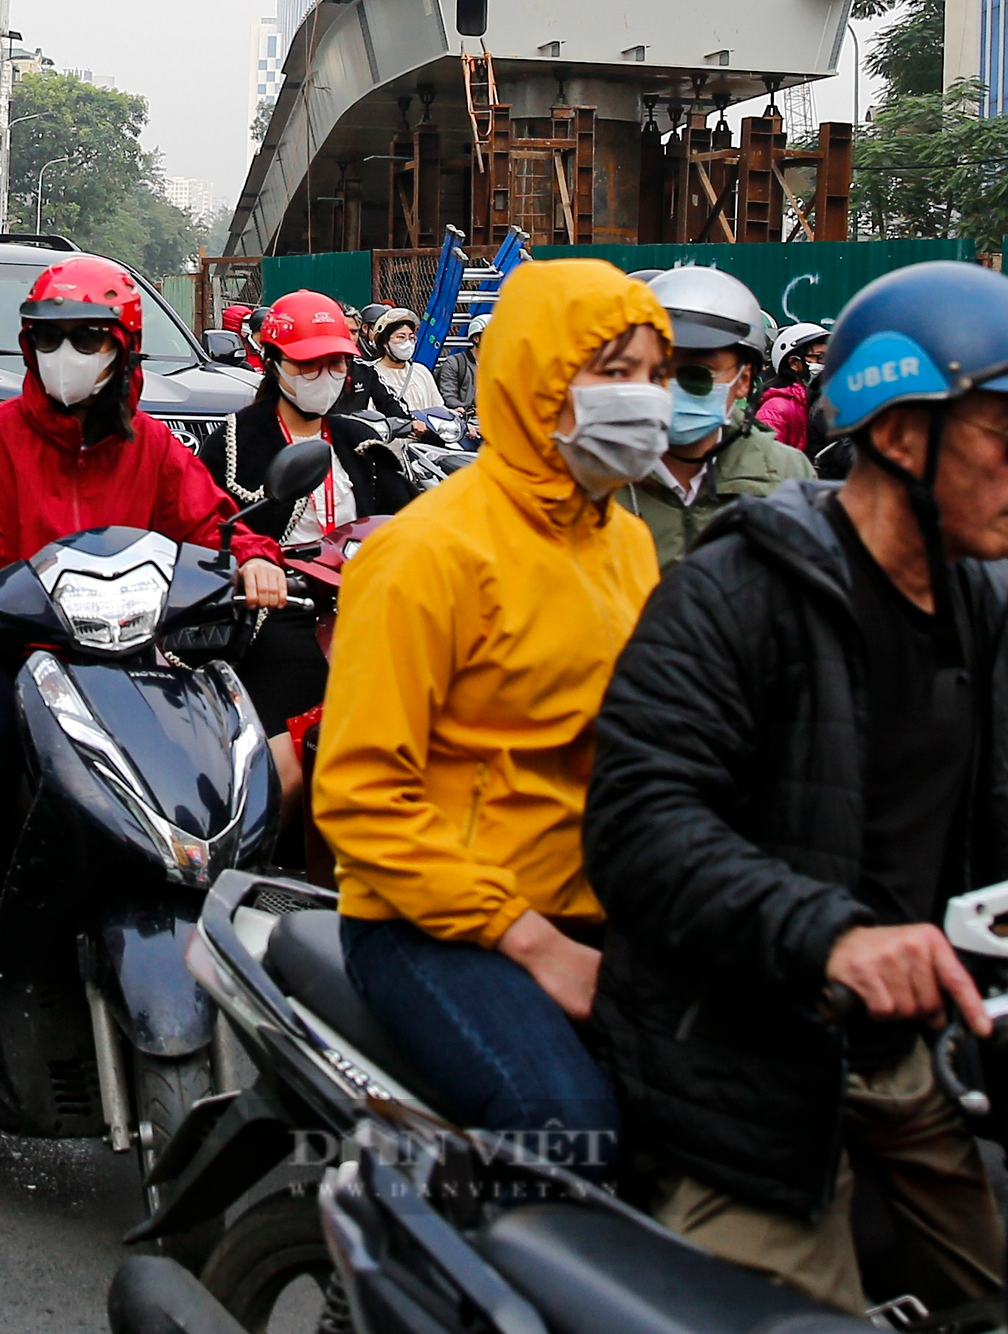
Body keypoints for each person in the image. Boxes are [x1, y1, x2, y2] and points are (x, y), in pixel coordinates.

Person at [586, 261, 1008, 1315]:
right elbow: (640, 825)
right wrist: (832, 935)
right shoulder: (733, 595)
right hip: (741, 1065)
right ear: (900, 435)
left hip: (907, 1050)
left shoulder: (977, 597)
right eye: (999, 436)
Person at [311, 259, 671, 1174]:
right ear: (540, 377)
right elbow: (359, 797)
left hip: (605, 909)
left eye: (657, 375)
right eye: (615, 374)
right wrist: (532, 942)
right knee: (565, 1129)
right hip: (435, 926)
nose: (647, 400)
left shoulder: (626, 541)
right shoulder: (430, 554)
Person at [0, 255, 289, 1021]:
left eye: (87, 339)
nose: (66, 356)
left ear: (123, 350)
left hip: (114, 659)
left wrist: (256, 560)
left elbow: (213, 523)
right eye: (50, 339)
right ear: (28, 346)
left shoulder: (149, 447)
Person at [198, 289, 416, 803]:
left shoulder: (362, 440)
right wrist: (255, 565)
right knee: (297, 720)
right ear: (273, 363)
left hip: (369, 605)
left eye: (336, 363)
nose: (326, 375)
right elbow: (206, 526)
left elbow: (410, 522)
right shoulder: (234, 441)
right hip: (277, 609)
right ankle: (256, 838)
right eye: (309, 364)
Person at [616, 268, 814, 567]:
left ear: (744, 379)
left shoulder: (785, 475)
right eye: (658, 370)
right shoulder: (599, 472)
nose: (671, 387)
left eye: (697, 374)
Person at [757, 321, 828, 452]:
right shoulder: (777, 409)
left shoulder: (816, 403)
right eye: (820, 357)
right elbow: (766, 461)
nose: (826, 363)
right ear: (795, 363)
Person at [365, 306, 447, 415]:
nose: (407, 343)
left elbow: (438, 407)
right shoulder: (370, 373)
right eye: (401, 337)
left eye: (411, 337)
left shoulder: (421, 371)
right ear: (385, 343)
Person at [435, 311, 489, 411]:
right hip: (465, 419)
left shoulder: (502, 366)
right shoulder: (455, 363)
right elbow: (448, 397)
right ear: (476, 338)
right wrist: (469, 410)